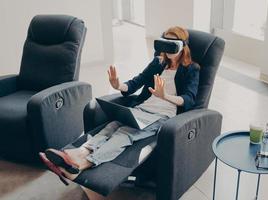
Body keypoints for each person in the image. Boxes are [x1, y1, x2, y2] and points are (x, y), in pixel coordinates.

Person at [39, 26, 200, 185]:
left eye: (172, 45)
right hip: (142, 109)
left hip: (162, 116)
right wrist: (118, 85)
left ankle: (81, 165)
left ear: (182, 46)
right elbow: (135, 82)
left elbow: (189, 99)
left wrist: (165, 96)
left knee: (125, 133)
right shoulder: (158, 62)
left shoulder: (191, 69)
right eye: (165, 44)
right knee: (112, 126)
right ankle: (78, 152)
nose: (168, 49)